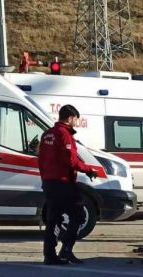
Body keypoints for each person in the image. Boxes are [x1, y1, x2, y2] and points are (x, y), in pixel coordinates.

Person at [38, 104, 97, 265]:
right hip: (63, 183)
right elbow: (71, 161)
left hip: (49, 183)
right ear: (70, 118)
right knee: (78, 215)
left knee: (53, 219)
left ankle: (49, 255)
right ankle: (66, 251)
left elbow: (41, 159)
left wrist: (45, 179)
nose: (77, 123)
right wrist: (88, 170)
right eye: (76, 119)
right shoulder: (64, 135)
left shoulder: (47, 134)